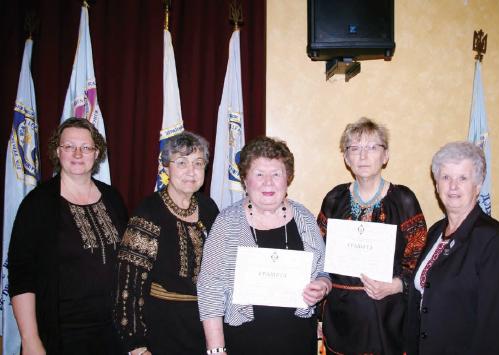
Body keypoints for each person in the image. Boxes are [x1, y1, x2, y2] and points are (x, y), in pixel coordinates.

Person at [197, 136, 331, 355]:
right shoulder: (227, 223)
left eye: (276, 174)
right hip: (243, 344)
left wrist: (323, 285)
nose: (268, 183)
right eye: (259, 174)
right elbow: (209, 288)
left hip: (297, 342)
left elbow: (324, 271)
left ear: (287, 178)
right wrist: (216, 349)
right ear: (245, 180)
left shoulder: (304, 218)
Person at [8, 117, 128, 355]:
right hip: (62, 334)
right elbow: (22, 275)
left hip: (114, 333)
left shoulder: (113, 197)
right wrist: (31, 340)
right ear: (57, 151)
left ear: (96, 154)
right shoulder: (37, 204)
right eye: (69, 146)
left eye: (86, 147)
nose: (77, 153)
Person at [317, 117, 428, 355]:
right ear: (346, 158)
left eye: (372, 147)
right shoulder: (334, 199)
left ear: (385, 156)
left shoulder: (403, 200)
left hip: (387, 317)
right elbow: (318, 254)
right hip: (341, 318)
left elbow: (421, 259)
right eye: (354, 149)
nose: (363, 156)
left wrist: (397, 285)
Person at [405, 141, 499, 355]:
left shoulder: (496, 241)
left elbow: (498, 328)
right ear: (436, 184)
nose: (453, 186)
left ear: (478, 186)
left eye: (463, 178)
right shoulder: (434, 232)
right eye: (446, 177)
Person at [115, 131, 219, 355]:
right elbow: (128, 286)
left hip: (206, 328)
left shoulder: (210, 208)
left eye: (198, 163)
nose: (191, 171)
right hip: (162, 330)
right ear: (166, 167)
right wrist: (137, 346)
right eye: (181, 162)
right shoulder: (149, 212)